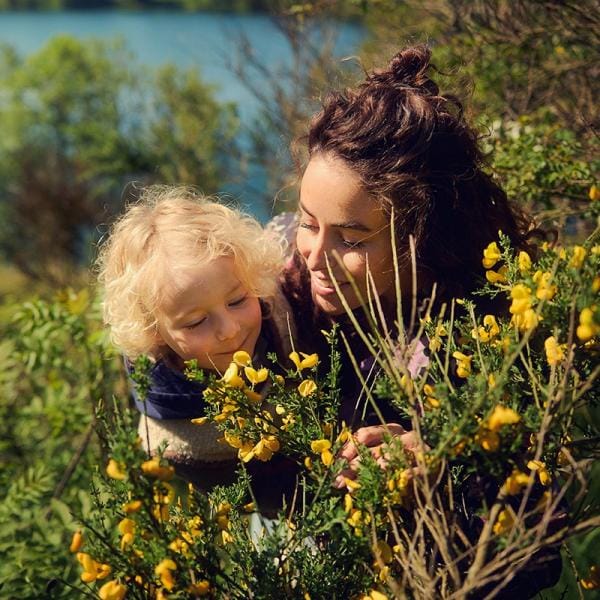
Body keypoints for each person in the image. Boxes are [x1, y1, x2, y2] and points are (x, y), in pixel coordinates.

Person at [280, 44, 560, 597]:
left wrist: (443, 457)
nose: (314, 255)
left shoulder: (490, 331)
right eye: (308, 222)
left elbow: (536, 552)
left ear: (420, 236)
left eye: (351, 239)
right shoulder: (293, 282)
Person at [97, 185, 296, 493]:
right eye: (196, 322)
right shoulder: (172, 430)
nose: (229, 329)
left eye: (238, 300)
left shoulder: (283, 314)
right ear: (154, 334)